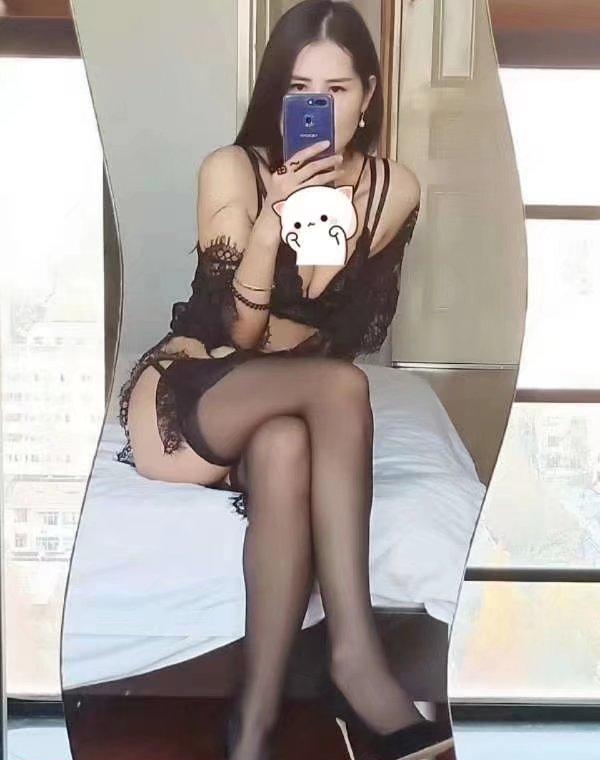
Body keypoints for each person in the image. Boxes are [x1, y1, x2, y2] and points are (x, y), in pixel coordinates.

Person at [116, 2, 452, 759]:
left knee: (287, 446)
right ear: (277, 95)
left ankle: (251, 728)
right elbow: (239, 336)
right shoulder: (230, 170)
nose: (318, 108)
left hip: (288, 402)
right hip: (194, 391)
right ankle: (355, 659)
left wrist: (325, 211)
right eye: (301, 90)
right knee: (340, 391)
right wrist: (272, 222)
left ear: (368, 95)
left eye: (337, 89)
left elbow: (344, 328)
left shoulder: (393, 190)